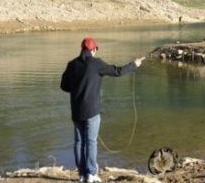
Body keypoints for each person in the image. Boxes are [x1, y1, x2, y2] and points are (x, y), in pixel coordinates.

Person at [60, 36, 145, 183]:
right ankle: (92, 174)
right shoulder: (96, 64)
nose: (95, 52)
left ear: (82, 49)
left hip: (76, 111)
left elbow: (64, 86)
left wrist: (77, 88)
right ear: (92, 50)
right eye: (95, 50)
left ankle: (81, 174)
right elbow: (117, 71)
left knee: (79, 142)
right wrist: (134, 65)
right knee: (91, 142)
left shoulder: (71, 64)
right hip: (92, 111)